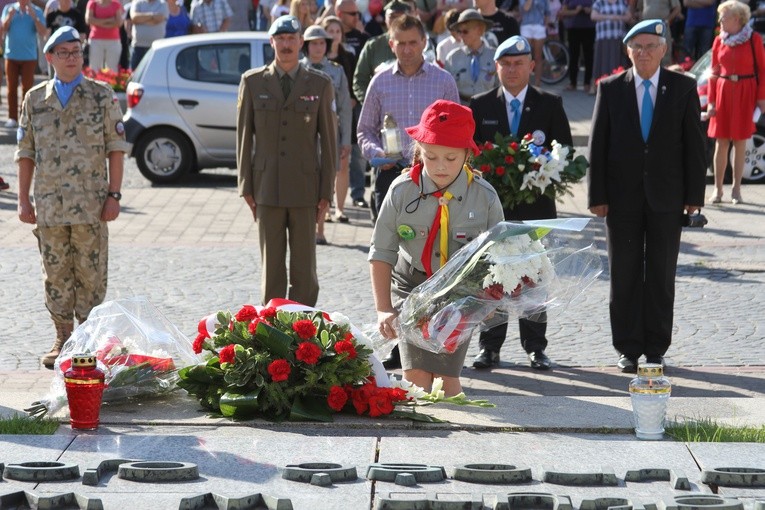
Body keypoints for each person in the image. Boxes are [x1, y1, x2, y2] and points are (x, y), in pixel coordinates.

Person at [588, 19, 706, 373]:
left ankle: (655, 347)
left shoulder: (683, 87)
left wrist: (694, 197)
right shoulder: (610, 88)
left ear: (663, 49)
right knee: (623, 274)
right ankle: (626, 347)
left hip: (667, 199)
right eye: (636, 47)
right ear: (627, 50)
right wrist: (597, 195)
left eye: (650, 46)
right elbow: (598, 145)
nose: (643, 53)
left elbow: (694, 146)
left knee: (660, 274)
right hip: (621, 199)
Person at [370, 99, 503, 395]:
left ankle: (454, 439)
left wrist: (490, 301)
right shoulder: (402, 191)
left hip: (459, 293)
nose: (440, 166)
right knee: (417, 378)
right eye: (431, 157)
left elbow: (500, 257)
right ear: (419, 151)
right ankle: (420, 439)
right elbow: (382, 252)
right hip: (411, 287)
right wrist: (383, 309)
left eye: (451, 158)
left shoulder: (484, 197)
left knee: (446, 381)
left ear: (468, 154)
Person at [16, 26, 129, 368]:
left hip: (91, 205)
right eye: (63, 53)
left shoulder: (101, 95)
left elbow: (116, 148)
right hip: (50, 206)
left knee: (91, 274)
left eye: (76, 52)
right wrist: (23, 199)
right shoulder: (35, 99)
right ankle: (62, 338)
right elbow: (26, 152)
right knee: (55, 273)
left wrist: (114, 194)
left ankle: (89, 339)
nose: (71, 59)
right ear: (49, 57)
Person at [358, 14, 459, 368]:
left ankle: (430, 343)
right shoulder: (380, 81)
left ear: (424, 43)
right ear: (390, 44)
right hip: (392, 177)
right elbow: (364, 130)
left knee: (430, 259)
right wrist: (376, 154)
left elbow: (457, 134)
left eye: (413, 42)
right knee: (397, 260)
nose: (407, 49)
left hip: (436, 181)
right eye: (400, 43)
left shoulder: (444, 81)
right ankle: (402, 343)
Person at [469, 35, 572, 371]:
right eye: (505, 64)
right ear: (495, 67)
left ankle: (535, 347)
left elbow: (565, 156)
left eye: (518, 63)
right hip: (492, 209)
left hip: (536, 207)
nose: (512, 69)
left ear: (532, 65)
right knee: (492, 278)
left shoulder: (550, 104)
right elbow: (471, 157)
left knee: (534, 279)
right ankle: (490, 347)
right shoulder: (480, 105)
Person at [236, 15, 337, 307]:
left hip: (306, 188)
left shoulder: (319, 84)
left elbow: (328, 144)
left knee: (305, 270)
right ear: (271, 42)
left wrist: (326, 193)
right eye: (280, 39)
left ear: (301, 42)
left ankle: (303, 324)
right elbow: (244, 138)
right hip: (266, 187)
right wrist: (246, 186)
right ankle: (272, 326)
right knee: (272, 270)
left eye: (291, 38)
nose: (286, 44)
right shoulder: (253, 82)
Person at [707, 1, 765, 205]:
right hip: (723, 91)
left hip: (745, 92)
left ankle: (736, 190)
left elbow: (763, 70)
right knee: (721, 142)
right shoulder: (718, 41)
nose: (720, 21)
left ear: (738, 19)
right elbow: (713, 73)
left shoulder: (753, 39)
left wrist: (761, 98)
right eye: (720, 17)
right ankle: (717, 190)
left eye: (724, 17)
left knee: (740, 142)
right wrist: (712, 102)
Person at [300, 24, 352, 242]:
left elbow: (344, 107)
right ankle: (303, 227)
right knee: (304, 181)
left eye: (322, 43)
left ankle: (319, 230)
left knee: (325, 180)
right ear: (306, 45)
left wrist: (346, 140)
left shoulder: (336, 70)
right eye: (314, 43)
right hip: (302, 133)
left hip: (329, 132)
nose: (318, 47)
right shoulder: (298, 68)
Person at [352, 0, 412, 102]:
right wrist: (371, 103)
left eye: (400, 16)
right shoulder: (373, 46)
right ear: (385, 19)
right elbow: (360, 80)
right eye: (392, 16)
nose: (396, 20)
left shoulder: (416, 44)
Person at [2, 0, 46, 128]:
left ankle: (25, 118)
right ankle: (12, 118)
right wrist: (9, 17)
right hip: (11, 55)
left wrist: (34, 17)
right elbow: (2, 29)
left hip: (29, 56)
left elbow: (43, 32)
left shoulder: (36, 11)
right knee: (11, 88)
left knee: (27, 88)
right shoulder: (9, 9)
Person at [444, 9, 498, 104]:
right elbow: (446, 90)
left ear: (480, 31)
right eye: (459, 31)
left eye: (465, 31)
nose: (461, 35)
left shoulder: (495, 56)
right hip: (461, 109)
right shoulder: (452, 58)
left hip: (488, 107)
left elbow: (500, 87)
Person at [560, 0, 595, 93]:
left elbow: (599, 9)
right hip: (573, 28)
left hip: (589, 28)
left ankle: (587, 83)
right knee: (573, 56)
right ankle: (573, 82)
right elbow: (563, 11)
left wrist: (590, 10)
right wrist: (575, 11)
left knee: (589, 56)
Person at [591, 0, 630, 81]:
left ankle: (618, 85)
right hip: (603, 39)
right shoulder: (599, 2)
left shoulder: (622, 2)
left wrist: (618, 17)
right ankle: (598, 85)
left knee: (618, 63)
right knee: (602, 63)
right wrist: (610, 17)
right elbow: (593, 16)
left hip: (618, 38)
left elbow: (628, 17)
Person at [635, 0, 680, 66]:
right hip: (647, 29)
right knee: (647, 53)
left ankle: (665, 75)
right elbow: (640, 8)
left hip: (662, 28)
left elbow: (677, 8)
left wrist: (667, 20)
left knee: (665, 55)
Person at [85, 0, 123, 72]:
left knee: (112, 69)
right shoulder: (93, 3)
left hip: (113, 40)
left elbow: (119, 22)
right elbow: (88, 20)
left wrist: (98, 22)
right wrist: (109, 20)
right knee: (94, 67)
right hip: (95, 40)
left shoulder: (116, 4)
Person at [129, 0, 168, 69]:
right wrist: (153, 16)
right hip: (138, 47)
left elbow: (160, 18)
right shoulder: (137, 2)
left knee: (155, 72)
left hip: (156, 47)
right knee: (135, 73)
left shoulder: (163, 3)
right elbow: (134, 18)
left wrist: (142, 20)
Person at [519, 0, 549, 87]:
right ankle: (524, 82)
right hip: (526, 26)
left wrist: (545, 26)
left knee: (538, 57)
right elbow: (525, 8)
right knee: (525, 56)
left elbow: (547, 12)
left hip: (539, 26)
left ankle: (537, 83)